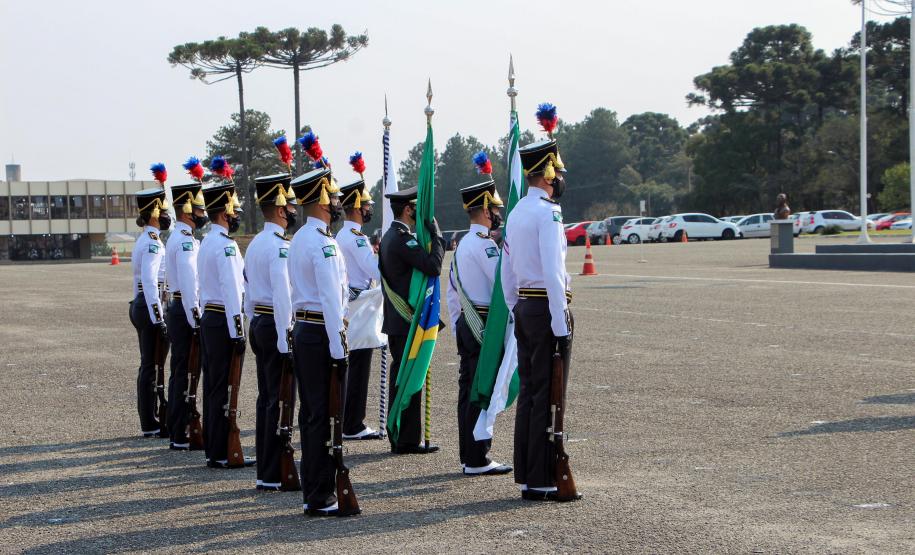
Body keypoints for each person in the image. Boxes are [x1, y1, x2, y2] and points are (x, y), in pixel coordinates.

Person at [501, 134, 581, 502]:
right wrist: (561, 322)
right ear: (547, 172)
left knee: (531, 394)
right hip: (547, 309)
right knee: (550, 395)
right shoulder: (549, 212)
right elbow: (553, 272)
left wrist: (515, 306)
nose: (561, 177)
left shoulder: (517, 211)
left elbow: (506, 270)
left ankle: (527, 475)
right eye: (558, 171)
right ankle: (545, 478)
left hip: (524, 307)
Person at [288, 167, 353, 516]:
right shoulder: (323, 243)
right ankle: (321, 493)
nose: (340, 202)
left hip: (306, 330)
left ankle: (313, 489)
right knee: (326, 416)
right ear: (323, 200)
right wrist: (338, 347)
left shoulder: (300, 238)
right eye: (336, 196)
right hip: (321, 333)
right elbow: (330, 300)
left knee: (312, 414)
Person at [446, 177, 512, 476]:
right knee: (479, 389)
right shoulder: (485, 245)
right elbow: (502, 280)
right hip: (482, 324)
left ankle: (469, 454)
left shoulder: (464, 243)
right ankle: (476, 457)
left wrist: (458, 324)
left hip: (467, 323)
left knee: (468, 391)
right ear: (486, 211)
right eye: (495, 208)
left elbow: (451, 292)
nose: (498, 213)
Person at [378, 186, 445, 454]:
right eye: (417, 208)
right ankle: (405, 440)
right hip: (406, 321)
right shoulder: (402, 239)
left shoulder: (388, 237)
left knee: (402, 377)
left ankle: (402, 436)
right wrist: (437, 235)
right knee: (409, 379)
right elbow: (433, 266)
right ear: (408, 210)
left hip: (397, 321)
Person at [243, 173, 297, 490]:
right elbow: (282, 294)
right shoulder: (278, 247)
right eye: (289, 204)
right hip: (276, 324)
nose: (292, 209)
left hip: (260, 323)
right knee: (280, 400)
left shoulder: (256, 244)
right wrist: (285, 337)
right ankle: (275, 470)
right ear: (279, 209)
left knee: (267, 399)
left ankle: (266, 469)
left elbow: (248, 292)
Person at [197, 182, 254, 469]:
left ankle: (215, 449)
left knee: (213, 386)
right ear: (224, 213)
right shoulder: (226, 246)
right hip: (223, 320)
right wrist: (238, 331)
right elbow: (233, 290)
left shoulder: (207, 241)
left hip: (210, 317)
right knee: (225, 387)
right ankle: (222, 451)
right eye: (234, 212)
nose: (236, 216)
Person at [336, 176, 382, 441]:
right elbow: (374, 270)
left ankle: (348, 419)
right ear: (355, 206)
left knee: (350, 364)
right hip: (360, 305)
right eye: (365, 204)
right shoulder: (357, 238)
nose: (369, 209)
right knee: (359, 365)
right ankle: (353, 423)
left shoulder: (343, 234)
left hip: (352, 304)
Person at [163, 182, 208, 450]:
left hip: (178, 308)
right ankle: (179, 431)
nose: (203, 214)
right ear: (188, 211)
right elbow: (191, 284)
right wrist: (196, 319)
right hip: (185, 309)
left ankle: (176, 428)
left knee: (180, 371)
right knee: (186, 372)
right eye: (200, 209)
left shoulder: (179, 238)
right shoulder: (186, 242)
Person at [130, 188, 170, 438]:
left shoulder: (146, 239)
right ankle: (151, 421)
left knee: (150, 365)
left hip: (141, 303)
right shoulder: (153, 244)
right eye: (164, 211)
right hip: (149, 304)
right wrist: (159, 318)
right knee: (152, 366)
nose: (167, 215)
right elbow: (149, 281)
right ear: (154, 213)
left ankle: (151, 419)